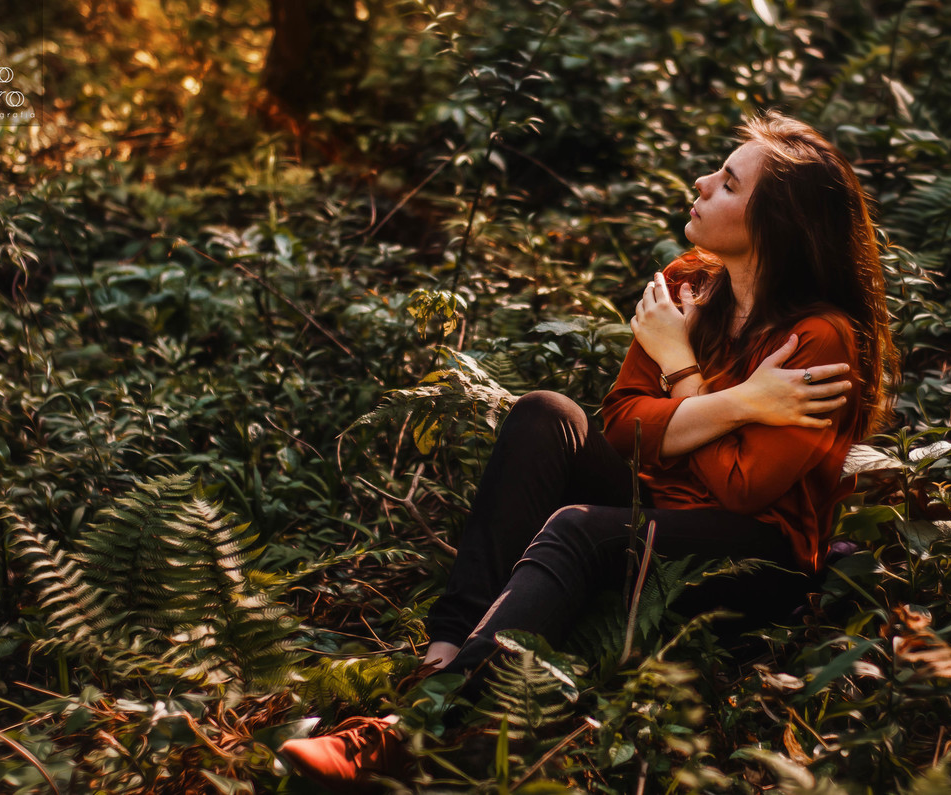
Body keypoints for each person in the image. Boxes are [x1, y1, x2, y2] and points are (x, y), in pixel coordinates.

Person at [280, 110, 898, 787]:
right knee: (546, 414)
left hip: (758, 557)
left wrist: (681, 370)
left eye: (726, 184)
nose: (699, 182)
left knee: (580, 530)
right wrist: (741, 401)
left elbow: (742, 488)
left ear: (775, 227)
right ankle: (445, 658)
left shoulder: (819, 339)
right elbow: (622, 425)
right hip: (665, 507)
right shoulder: (688, 283)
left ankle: (412, 733)